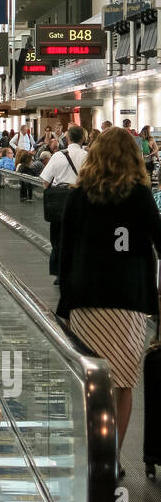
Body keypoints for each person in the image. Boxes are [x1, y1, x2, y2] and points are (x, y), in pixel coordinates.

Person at [57, 126, 161, 454]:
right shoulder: (140, 194)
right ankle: (112, 456)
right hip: (128, 302)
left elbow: (64, 249)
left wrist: (66, 299)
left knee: (92, 381)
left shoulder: (78, 194)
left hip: (86, 300)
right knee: (124, 383)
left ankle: (92, 453)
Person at [41, 122, 87, 281]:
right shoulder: (88, 157)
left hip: (59, 204)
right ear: (83, 138)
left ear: (67, 139)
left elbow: (45, 182)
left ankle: (59, 273)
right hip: (81, 202)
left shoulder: (58, 156)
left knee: (58, 239)